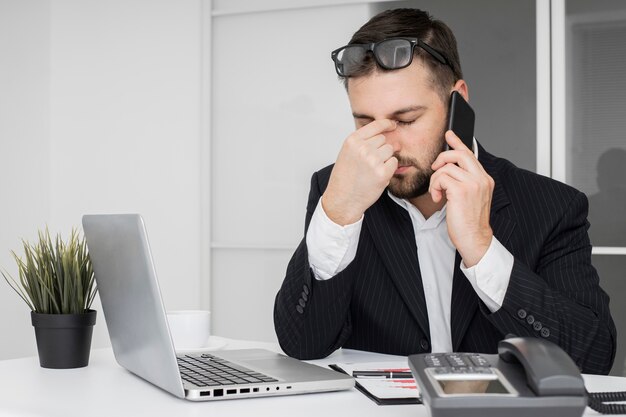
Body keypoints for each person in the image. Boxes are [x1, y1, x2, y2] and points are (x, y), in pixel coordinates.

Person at [273, 8, 616, 374]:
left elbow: (592, 359)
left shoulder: (552, 206)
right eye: (365, 121)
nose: (384, 144)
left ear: (458, 102)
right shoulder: (337, 190)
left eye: (405, 120)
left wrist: (482, 248)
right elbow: (303, 344)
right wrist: (338, 214)